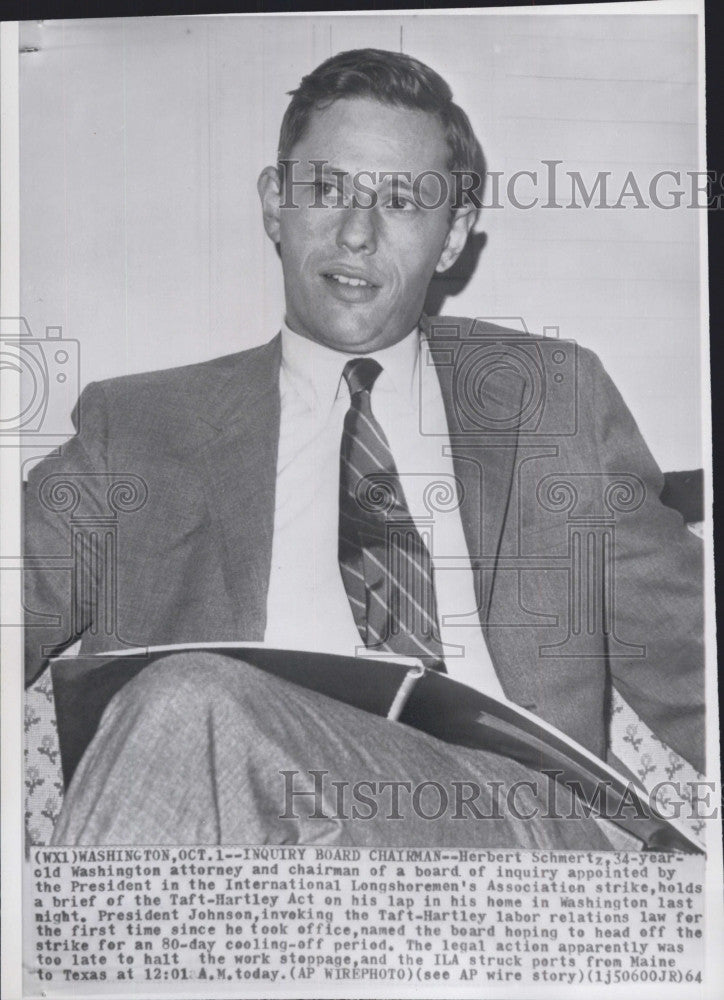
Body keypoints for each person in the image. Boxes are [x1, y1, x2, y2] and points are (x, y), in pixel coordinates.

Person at [23, 49, 703, 846]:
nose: (356, 233)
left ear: (452, 237)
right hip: (249, 859)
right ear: (276, 203)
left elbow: (694, 656)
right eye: (327, 189)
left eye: (403, 201)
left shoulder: (550, 401)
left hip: (518, 838)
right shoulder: (138, 428)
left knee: (185, 705)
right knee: (189, 717)